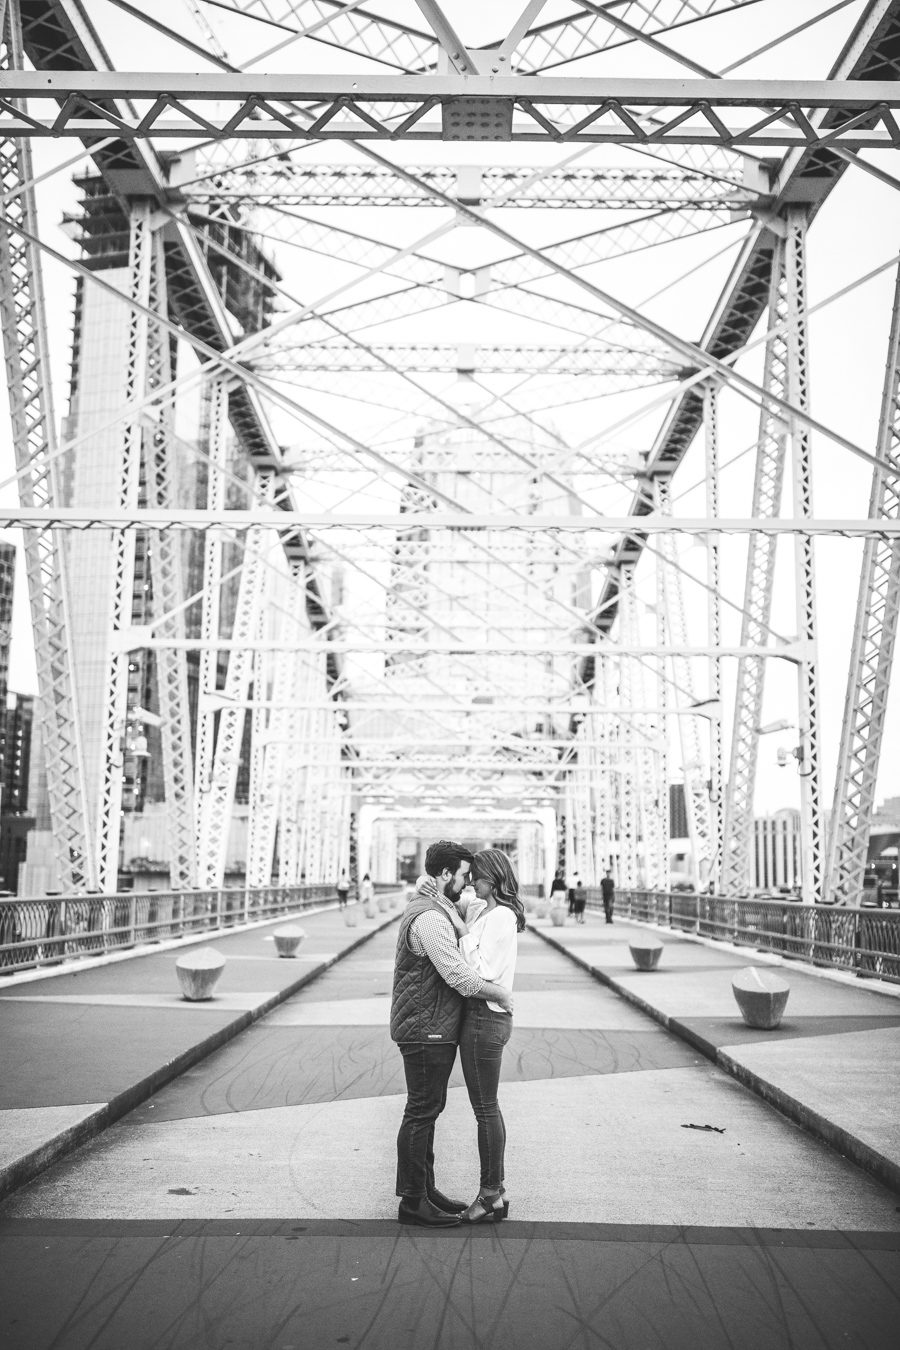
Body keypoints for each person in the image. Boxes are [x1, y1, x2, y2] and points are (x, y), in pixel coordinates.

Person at [390, 840, 514, 1228]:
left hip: (431, 1026)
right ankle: (413, 1201)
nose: (468, 882)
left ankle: (425, 1190)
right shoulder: (430, 918)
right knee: (421, 1112)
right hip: (424, 1028)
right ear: (445, 874)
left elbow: (475, 910)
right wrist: (501, 994)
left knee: (427, 1110)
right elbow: (458, 976)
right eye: (463, 875)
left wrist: (426, 887)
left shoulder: (441, 906)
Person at [453, 849, 523, 1224]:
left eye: (475, 878)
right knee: (488, 1108)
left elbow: (482, 971)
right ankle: (496, 1190)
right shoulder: (488, 911)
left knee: (485, 1110)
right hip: (485, 1017)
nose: (470, 884)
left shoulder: (501, 917)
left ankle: (490, 1194)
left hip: (485, 1017)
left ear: (491, 879)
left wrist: (463, 932)